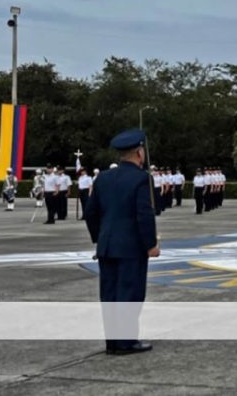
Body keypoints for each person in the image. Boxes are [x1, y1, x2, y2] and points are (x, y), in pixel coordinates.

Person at [83, 128, 159, 355]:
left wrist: (101, 238)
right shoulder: (142, 179)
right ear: (139, 153)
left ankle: (113, 343)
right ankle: (126, 342)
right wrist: (150, 244)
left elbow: (91, 213)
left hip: (107, 246)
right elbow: (144, 215)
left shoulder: (103, 178)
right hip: (131, 247)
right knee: (130, 293)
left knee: (110, 295)